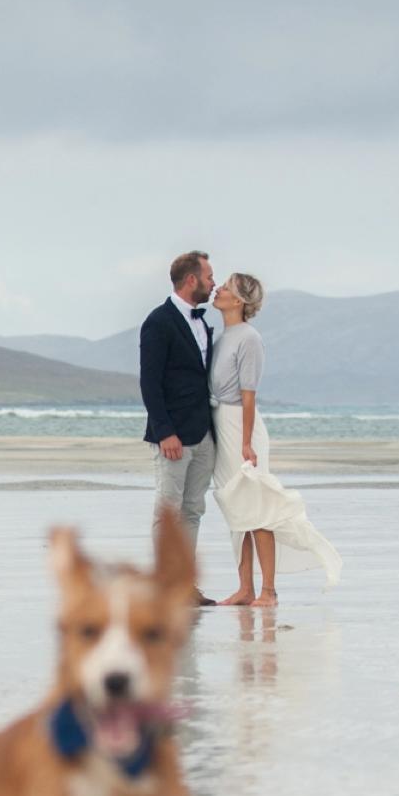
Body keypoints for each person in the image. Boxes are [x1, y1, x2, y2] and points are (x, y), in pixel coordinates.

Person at [208, 272, 342, 606]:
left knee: (257, 507)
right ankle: (245, 588)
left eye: (225, 287)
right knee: (235, 508)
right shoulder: (223, 337)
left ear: (238, 300)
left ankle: (268, 590)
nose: (218, 289)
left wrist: (246, 442)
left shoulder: (249, 338)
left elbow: (249, 394)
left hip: (242, 425)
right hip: (221, 423)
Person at [139, 250, 218, 607]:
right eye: (209, 277)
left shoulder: (203, 322)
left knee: (193, 508)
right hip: (172, 435)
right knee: (168, 509)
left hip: (203, 433)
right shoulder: (158, 322)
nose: (213, 283)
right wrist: (164, 430)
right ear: (191, 280)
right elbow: (149, 382)